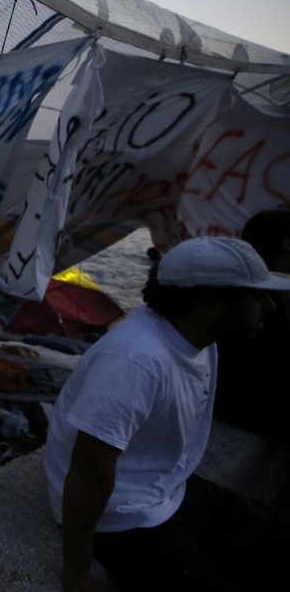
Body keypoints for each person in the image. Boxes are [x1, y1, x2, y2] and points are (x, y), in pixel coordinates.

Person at [43, 236, 290, 592]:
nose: (269, 306)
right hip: (121, 517)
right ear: (211, 304)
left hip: (166, 487)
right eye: (256, 296)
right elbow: (89, 470)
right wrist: (77, 575)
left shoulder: (196, 337)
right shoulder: (138, 360)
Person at [213, 208, 290, 441]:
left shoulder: (258, 292)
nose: (268, 306)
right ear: (287, 244)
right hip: (240, 410)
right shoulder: (258, 298)